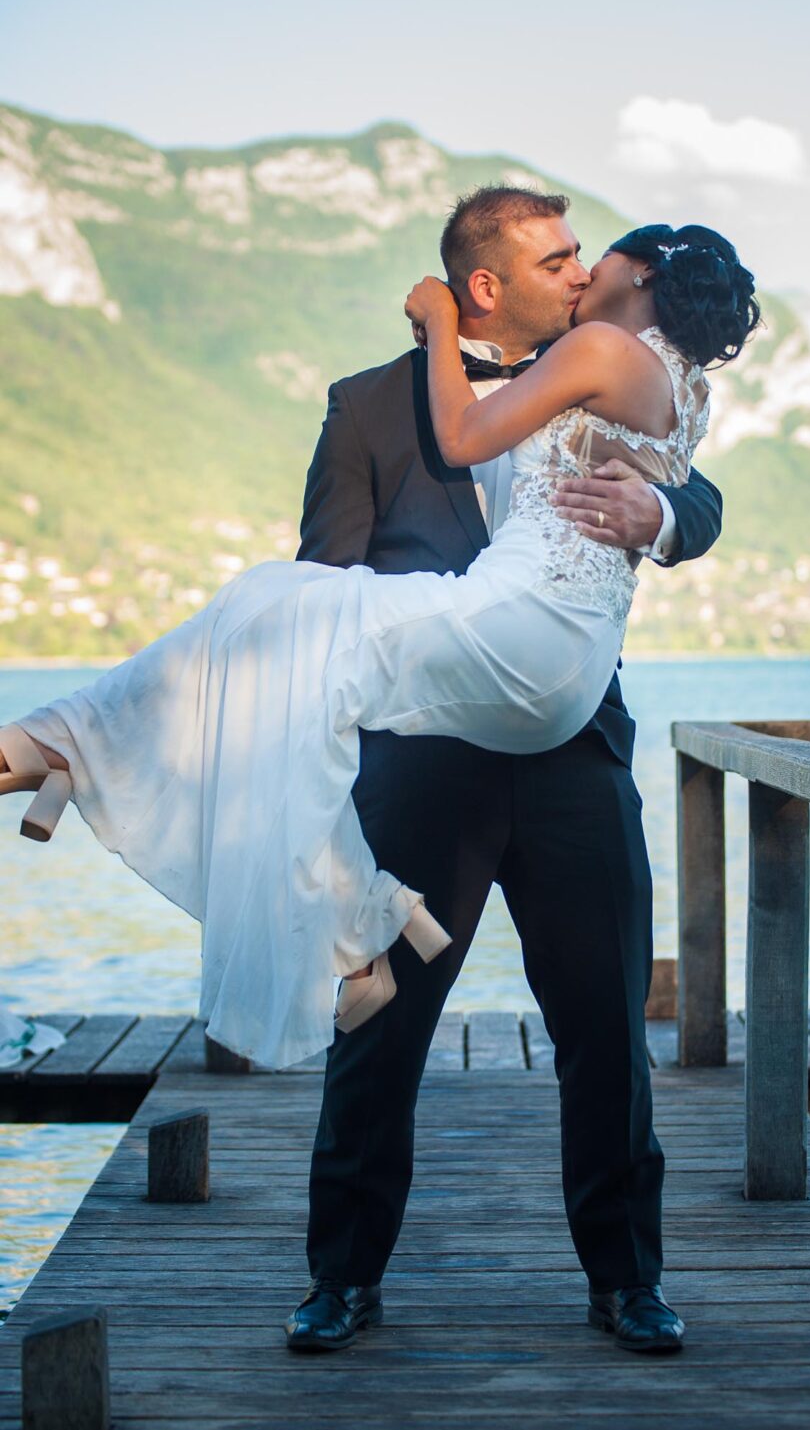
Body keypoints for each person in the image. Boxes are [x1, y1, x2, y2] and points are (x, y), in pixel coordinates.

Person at [0, 185, 758, 1354]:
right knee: (381, 1034)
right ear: (479, 288)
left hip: (568, 753)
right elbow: (327, 580)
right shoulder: (364, 406)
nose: (572, 272)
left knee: (604, 1031)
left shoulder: (599, 360)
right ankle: (342, 1278)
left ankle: (627, 1281)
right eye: (550, 259)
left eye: (579, 257)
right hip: (424, 753)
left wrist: (656, 511)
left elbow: (695, 491)